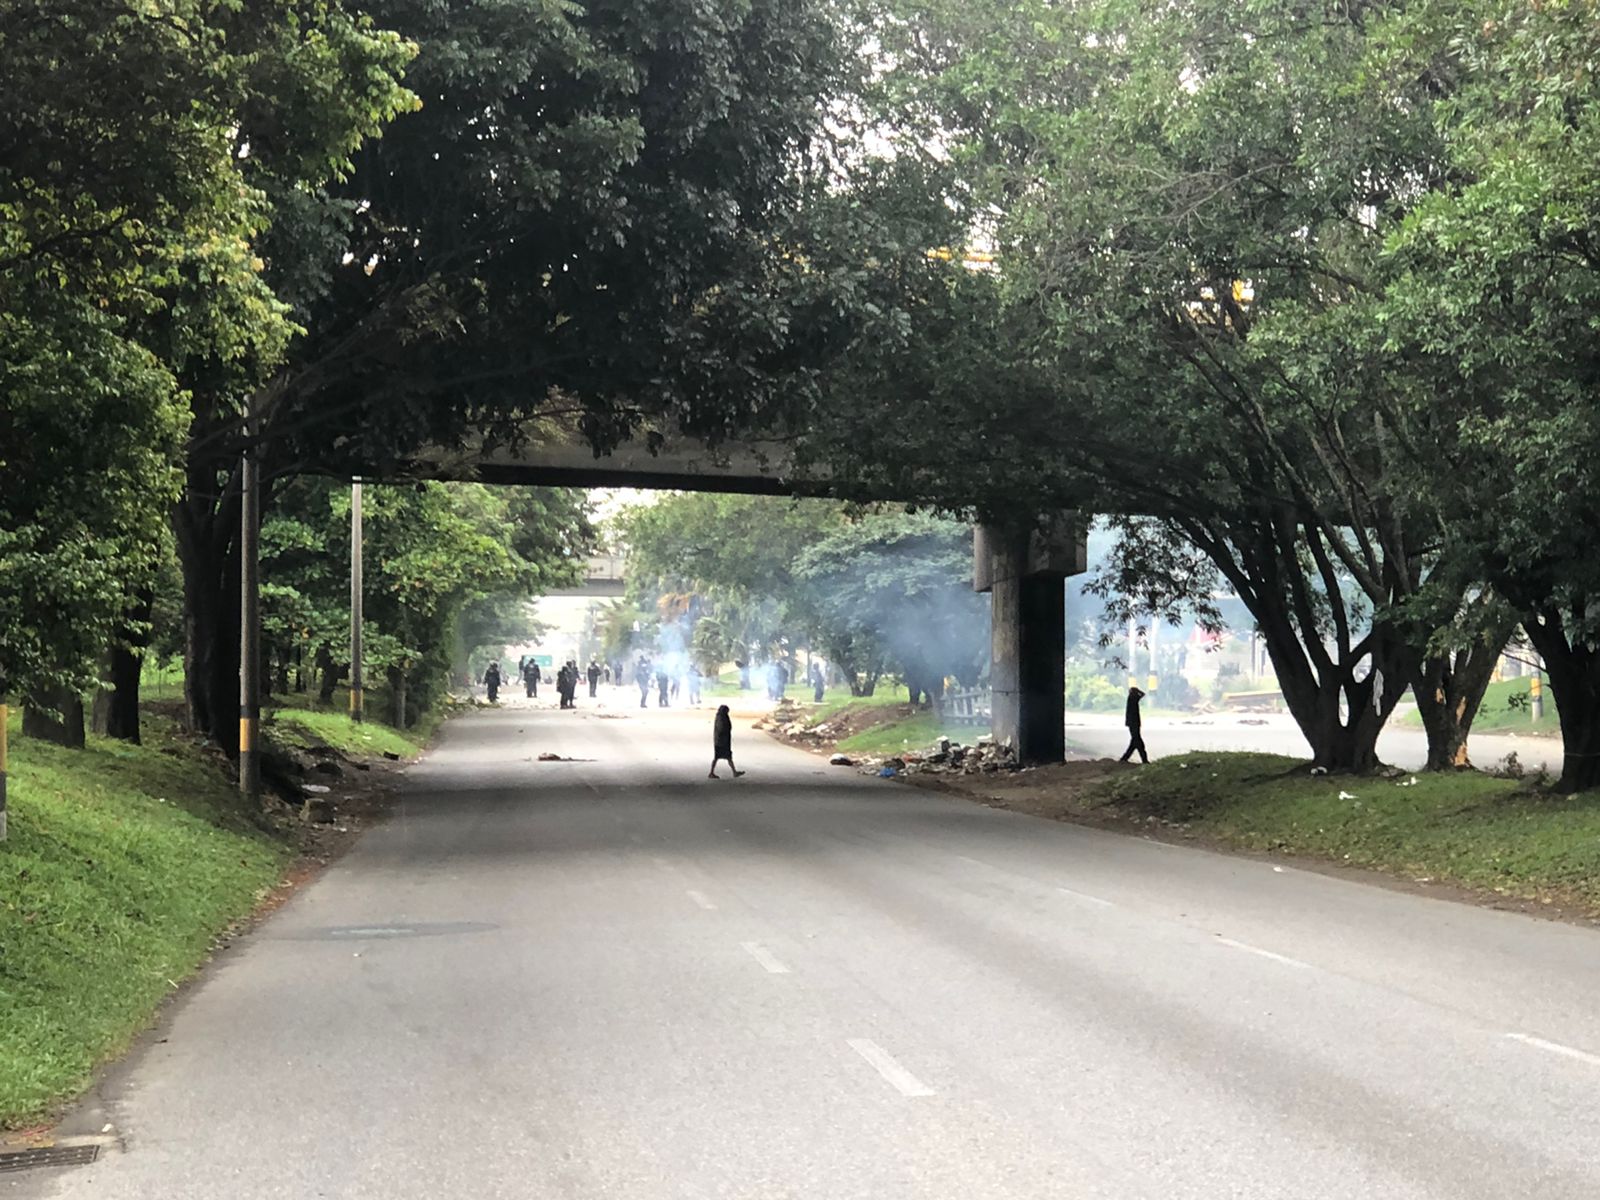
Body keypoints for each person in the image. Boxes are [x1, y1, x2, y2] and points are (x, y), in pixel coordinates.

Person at [708, 705, 745, 779]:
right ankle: (712, 772)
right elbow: (722, 728)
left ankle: (733, 772)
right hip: (722, 741)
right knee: (724, 756)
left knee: (721, 757)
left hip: (721, 740)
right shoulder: (722, 718)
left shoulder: (720, 717)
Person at [1119, 686, 1148, 764]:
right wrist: (1138, 690)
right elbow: (1143, 694)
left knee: (1134, 742)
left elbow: (1142, 695)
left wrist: (1136, 690)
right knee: (1138, 742)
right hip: (1134, 723)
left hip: (1132, 723)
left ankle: (1124, 758)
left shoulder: (1131, 698)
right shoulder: (1134, 698)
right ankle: (1144, 760)